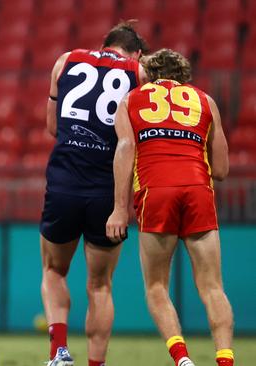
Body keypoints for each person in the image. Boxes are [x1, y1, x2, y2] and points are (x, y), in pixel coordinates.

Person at [106, 48, 234, 366]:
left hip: (156, 192)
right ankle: (225, 359)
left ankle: (182, 359)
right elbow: (220, 170)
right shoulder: (206, 101)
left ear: (149, 74)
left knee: (156, 285)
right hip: (197, 190)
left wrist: (119, 209)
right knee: (212, 286)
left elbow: (125, 149)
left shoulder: (131, 100)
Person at [39, 21, 149, 366]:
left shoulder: (66, 60)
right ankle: (95, 364)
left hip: (64, 183)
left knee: (54, 270)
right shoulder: (139, 72)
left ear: (107, 43)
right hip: (106, 189)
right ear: (137, 52)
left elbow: (53, 127)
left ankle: (59, 352)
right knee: (100, 285)